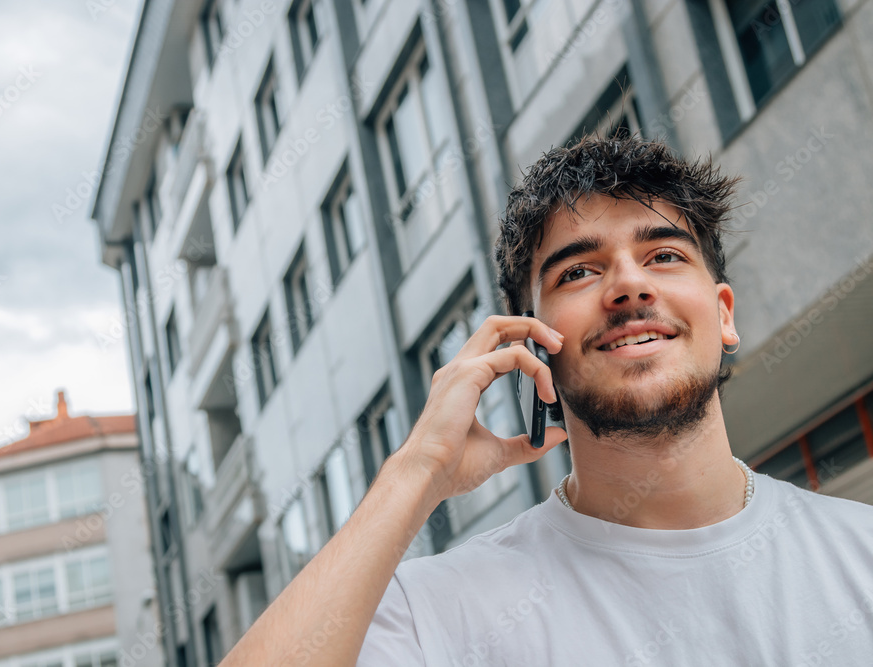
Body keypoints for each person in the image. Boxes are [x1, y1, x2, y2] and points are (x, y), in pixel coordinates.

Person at [220, 136, 873, 666]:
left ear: (723, 314)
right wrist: (417, 470)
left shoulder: (860, 552)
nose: (627, 285)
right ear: (532, 343)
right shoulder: (438, 614)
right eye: (578, 271)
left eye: (664, 254)